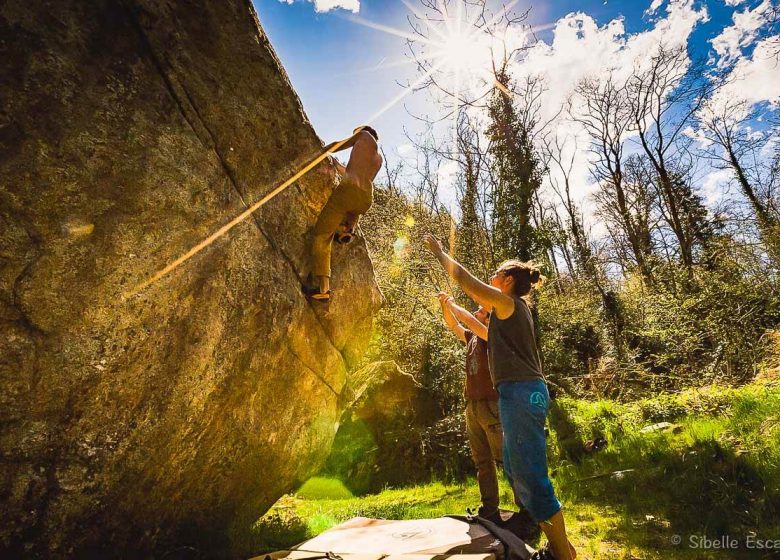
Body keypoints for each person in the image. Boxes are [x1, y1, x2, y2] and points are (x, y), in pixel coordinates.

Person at [425, 235, 576, 560]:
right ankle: (561, 547)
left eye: (495, 274)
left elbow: (468, 281)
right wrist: (450, 308)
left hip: (523, 393)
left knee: (531, 475)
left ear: (506, 282)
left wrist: (440, 252)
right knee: (516, 470)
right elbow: (470, 323)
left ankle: (563, 555)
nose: (490, 277)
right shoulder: (503, 321)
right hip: (516, 394)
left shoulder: (509, 304)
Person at [305, 126, 382, 302]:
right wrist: (336, 165)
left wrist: (321, 150)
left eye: (356, 131)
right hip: (365, 198)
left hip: (348, 192)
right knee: (350, 211)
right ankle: (347, 228)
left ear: (364, 130)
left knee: (322, 235)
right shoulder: (378, 160)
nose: (354, 134)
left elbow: (337, 145)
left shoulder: (363, 135)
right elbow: (355, 175)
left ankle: (323, 289)